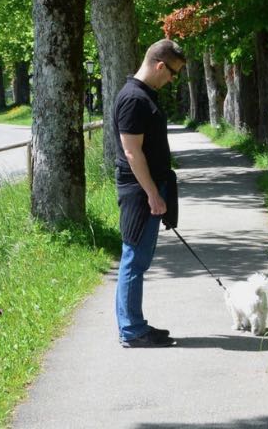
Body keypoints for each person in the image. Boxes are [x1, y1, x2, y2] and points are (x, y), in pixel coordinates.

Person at [113, 39, 186, 348]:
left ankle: (135, 325)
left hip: (149, 187)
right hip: (139, 191)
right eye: (172, 73)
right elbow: (132, 152)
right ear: (160, 65)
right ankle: (131, 330)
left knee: (138, 259)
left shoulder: (145, 96)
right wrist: (153, 194)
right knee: (134, 259)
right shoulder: (133, 99)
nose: (172, 80)